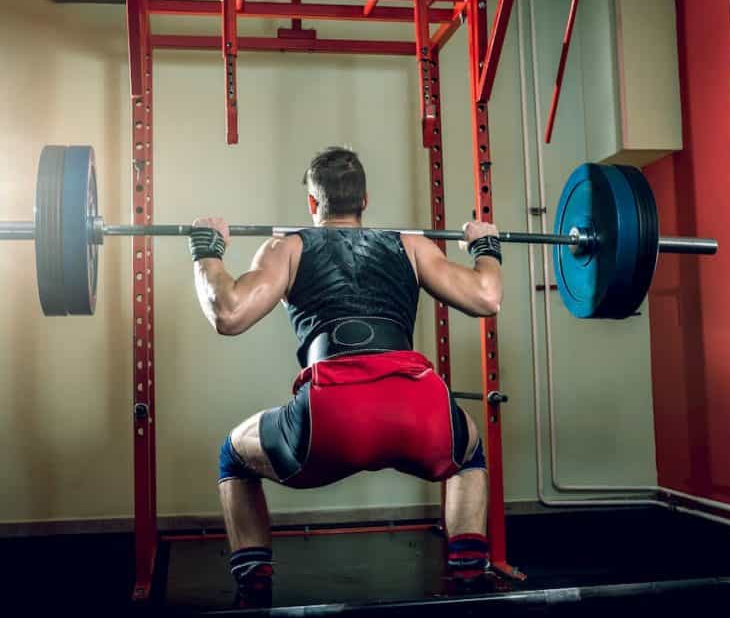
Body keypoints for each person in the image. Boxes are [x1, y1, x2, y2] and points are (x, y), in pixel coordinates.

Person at [189, 146, 504, 608]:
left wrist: (207, 253)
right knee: (468, 452)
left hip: (330, 417)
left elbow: (229, 313)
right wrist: (484, 245)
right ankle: (469, 575)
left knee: (233, 456)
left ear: (314, 204)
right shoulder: (411, 245)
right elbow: (486, 297)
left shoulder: (286, 247)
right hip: (417, 408)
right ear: (365, 201)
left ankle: (254, 588)